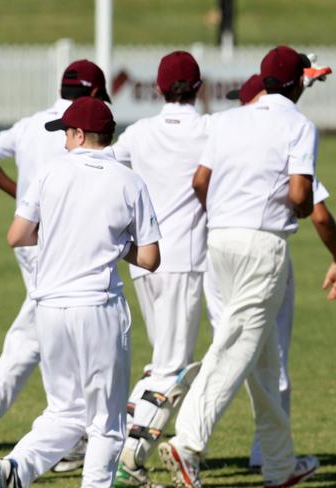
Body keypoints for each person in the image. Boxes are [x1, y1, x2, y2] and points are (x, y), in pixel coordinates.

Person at [159, 45, 320, 488]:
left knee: (262, 360)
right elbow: (300, 193)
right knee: (235, 347)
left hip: (220, 240)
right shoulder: (300, 125)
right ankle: (187, 442)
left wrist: (226, 214)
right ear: (297, 83)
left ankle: (279, 464)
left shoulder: (229, 120)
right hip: (262, 244)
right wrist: (299, 212)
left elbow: (200, 181)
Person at [0, 59, 111, 479]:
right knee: (72, 331)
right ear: (93, 95)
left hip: (30, 242)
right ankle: (73, 438)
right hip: (68, 245)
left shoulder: (30, 124)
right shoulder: (84, 130)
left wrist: (21, 200)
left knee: (33, 334)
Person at [0, 96, 161, 488]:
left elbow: (18, 235)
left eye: (66, 133)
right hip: (97, 306)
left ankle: (17, 467)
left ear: (81, 134)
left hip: (48, 306)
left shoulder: (49, 172)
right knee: (107, 422)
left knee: (64, 413)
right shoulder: (128, 180)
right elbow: (150, 258)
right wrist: (116, 245)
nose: (63, 140)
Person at [205, 72, 336, 471]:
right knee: (260, 357)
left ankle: (272, 458)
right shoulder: (282, 138)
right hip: (261, 251)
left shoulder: (225, 133)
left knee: (236, 353)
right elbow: (315, 210)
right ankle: (195, 440)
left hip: (213, 255)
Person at [110, 51, 209, 487]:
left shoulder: (140, 132)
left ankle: (120, 444)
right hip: (185, 259)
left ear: (160, 88)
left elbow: (105, 165)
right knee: (173, 366)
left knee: (163, 362)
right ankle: (126, 455)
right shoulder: (209, 130)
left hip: (142, 259)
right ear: (200, 88)